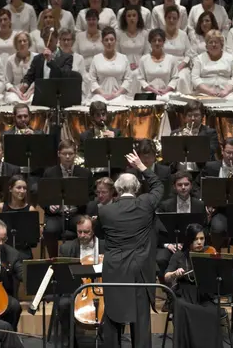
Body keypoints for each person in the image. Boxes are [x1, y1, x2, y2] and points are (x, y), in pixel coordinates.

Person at [97, 149, 163, 348]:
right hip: (139, 268)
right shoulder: (145, 203)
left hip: (114, 266)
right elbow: (158, 186)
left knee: (113, 314)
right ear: (136, 188)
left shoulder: (106, 210)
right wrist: (142, 166)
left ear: (116, 189)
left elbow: (100, 234)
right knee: (141, 318)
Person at [164, 222, 224, 348]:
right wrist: (175, 273)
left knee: (213, 310)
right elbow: (166, 276)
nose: (199, 242)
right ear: (189, 240)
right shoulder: (179, 256)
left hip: (202, 295)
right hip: (183, 295)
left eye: (202, 239)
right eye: (196, 239)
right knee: (184, 308)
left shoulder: (209, 254)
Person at [56, 216, 106, 346]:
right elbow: (62, 275)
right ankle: (70, 342)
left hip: (101, 289)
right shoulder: (66, 248)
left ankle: (108, 341)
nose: (82, 235)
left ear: (93, 231)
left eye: (86, 232)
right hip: (75, 289)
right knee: (63, 304)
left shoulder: (105, 246)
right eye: (80, 232)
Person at [41, 139, 94, 257]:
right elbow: (43, 197)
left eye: (71, 153)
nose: (68, 156)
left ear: (75, 154)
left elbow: (91, 196)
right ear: (59, 154)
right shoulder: (49, 173)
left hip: (76, 213)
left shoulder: (85, 173)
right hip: (56, 215)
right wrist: (49, 206)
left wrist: (81, 201)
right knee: (49, 230)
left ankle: (82, 257)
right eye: (65, 153)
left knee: (86, 226)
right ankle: (54, 260)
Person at [191, 29, 233, 102]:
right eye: (210, 42)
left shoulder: (229, 58)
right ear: (206, 46)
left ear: (222, 45)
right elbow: (195, 78)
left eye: (216, 42)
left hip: (227, 94)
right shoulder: (199, 59)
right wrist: (208, 91)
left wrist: (226, 90)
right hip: (204, 94)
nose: (213, 45)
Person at [137, 28, 179, 99]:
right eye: (154, 40)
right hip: (149, 94)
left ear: (163, 42)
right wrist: (153, 90)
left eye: (159, 40)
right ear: (150, 42)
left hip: (167, 94)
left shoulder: (171, 59)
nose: (157, 43)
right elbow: (141, 79)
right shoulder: (144, 59)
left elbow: (175, 78)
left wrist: (166, 90)